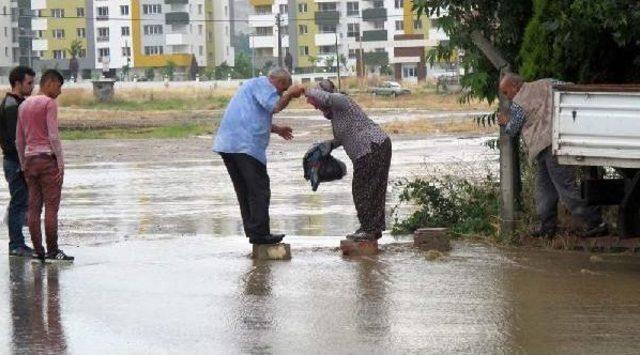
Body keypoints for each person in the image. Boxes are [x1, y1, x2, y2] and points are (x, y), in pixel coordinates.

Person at [498, 73, 609, 238]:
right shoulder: (546, 83)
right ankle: (547, 227)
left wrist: (505, 122)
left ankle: (596, 222)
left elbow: (512, 130)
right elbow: (570, 86)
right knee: (544, 188)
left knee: (565, 189)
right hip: (554, 143)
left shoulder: (518, 104)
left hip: (545, 147)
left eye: (506, 92)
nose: (507, 97)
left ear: (515, 86)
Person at [213, 68, 302, 245]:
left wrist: (277, 129)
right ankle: (260, 234)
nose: (281, 93)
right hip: (245, 146)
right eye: (282, 89)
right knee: (259, 189)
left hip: (230, 144)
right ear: (278, 82)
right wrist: (290, 94)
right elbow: (275, 107)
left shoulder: (253, 86)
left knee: (245, 190)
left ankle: (254, 232)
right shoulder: (263, 84)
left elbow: (252, 117)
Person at [301, 79, 392, 241]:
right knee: (373, 190)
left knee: (362, 189)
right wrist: (327, 146)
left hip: (371, 147)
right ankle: (372, 229)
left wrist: (303, 90)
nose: (316, 106)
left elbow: (326, 98)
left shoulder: (341, 100)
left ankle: (369, 229)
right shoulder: (337, 115)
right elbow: (342, 138)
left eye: (316, 103)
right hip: (374, 147)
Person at [16, 69, 73, 262]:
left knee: (33, 208)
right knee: (51, 208)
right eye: (59, 86)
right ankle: (52, 250)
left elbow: (19, 140)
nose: (59, 91)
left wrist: (24, 164)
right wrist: (61, 163)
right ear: (49, 83)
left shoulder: (23, 105)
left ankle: (38, 252)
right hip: (47, 160)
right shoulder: (49, 103)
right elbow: (53, 136)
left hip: (30, 161)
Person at [0, 66, 35, 257]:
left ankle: (18, 241)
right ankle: (16, 245)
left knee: (21, 202)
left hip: (16, 160)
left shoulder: (17, 102)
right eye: (29, 83)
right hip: (15, 161)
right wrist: (24, 163)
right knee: (19, 203)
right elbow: (17, 138)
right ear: (17, 83)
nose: (32, 86)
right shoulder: (12, 105)